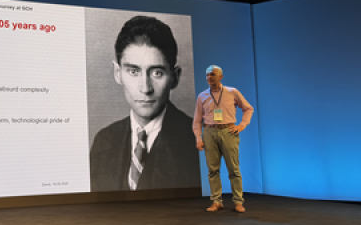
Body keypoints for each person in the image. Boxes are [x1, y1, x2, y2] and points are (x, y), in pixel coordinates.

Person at [90, 15, 200, 192]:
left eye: (157, 73)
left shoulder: (199, 144)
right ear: (118, 73)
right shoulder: (103, 141)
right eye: (133, 72)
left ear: (175, 77)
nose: (145, 88)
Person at [192, 65, 254, 213]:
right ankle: (216, 201)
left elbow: (248, 108)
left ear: (221, 77)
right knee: (212, 170)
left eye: (213, 74)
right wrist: (198, 138)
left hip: (228, 131)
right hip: (209, 132)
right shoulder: (202, 96)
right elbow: (197, 120)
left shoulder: (232, 92)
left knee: (233, 169)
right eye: (207, 75)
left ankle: (238, 202)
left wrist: (242, 125)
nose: (209, 77)